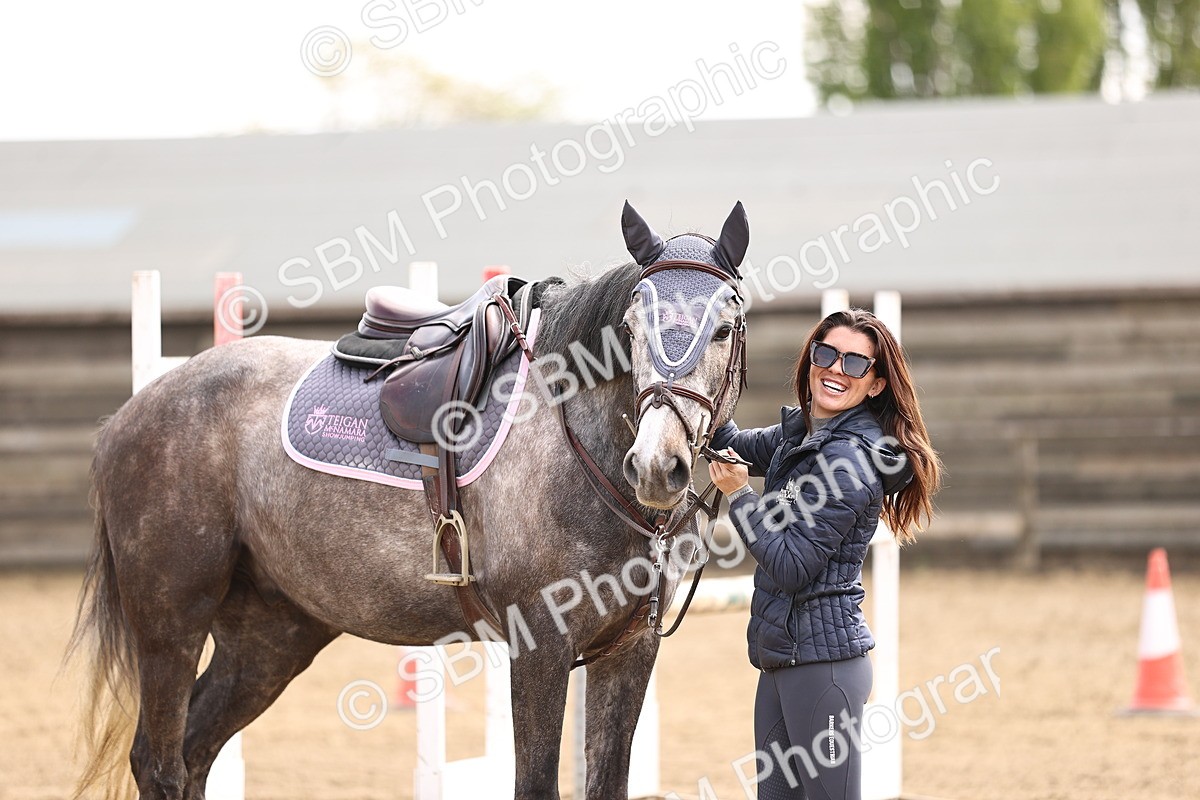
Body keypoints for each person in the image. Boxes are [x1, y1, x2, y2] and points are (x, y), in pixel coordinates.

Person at [708, 308, 941, 800]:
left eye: (855, 364)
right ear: (811, 358)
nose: (836, 369)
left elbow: (792, 566)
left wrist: (739, 497)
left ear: (875, 385)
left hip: (824, 669)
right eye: (826, 353)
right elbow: (728, 442)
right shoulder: (804, 434)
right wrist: (699, 376)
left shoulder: (849, 461)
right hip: (783, 661)